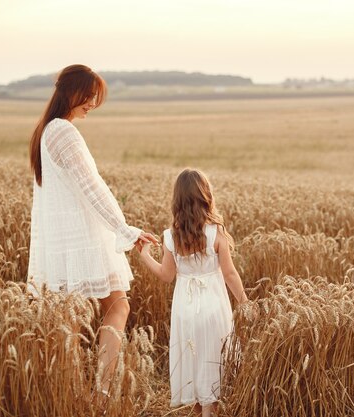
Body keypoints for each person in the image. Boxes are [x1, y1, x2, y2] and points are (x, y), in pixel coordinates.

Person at [26, 64, 158, 397]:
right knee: (115, 307)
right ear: (71, 92)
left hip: (64, 241)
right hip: (82, 238)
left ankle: (73, 395)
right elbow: (91, 186)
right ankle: (102, 392)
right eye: (89, 96)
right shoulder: (63, 132)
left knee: (71, 317)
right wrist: (124, 228)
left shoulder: (46, 131)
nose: (93, 104)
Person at [138, 168, 248, 417]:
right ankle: (210, 412)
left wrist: (144, 256)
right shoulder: (215, 232)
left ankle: (201, 410)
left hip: (184, 309)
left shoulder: (170, 236)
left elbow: (166, 276)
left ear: (177, 201)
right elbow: (230, 273)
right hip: (213, 306)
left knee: (194, 358)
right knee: (213, 359)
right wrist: (244, 301)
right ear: (205, 196)